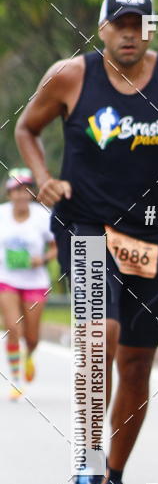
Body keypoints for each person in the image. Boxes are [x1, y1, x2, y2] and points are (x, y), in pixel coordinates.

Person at [15, 0, 158, 484]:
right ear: (102, 29)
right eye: (120, 24)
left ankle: (115, 479)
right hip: (83, 223)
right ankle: (86, 461)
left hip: (149, 235)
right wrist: (43, 179)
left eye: (139, 24)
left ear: (151, 30)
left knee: (135, 362)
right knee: (97, 335)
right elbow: (26, 128)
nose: (129, 33)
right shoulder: (70, 76)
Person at [0, 168, 56, 400]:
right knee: (14, 327)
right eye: (16, 190)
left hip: (35, 281)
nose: (21, 195)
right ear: (9, 193)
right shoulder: (1, 215)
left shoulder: (43, 215)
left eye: (25, 189)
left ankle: (29, 356)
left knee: (31, 337)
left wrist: (41, 259)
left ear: (31, 192)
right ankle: (16, 379)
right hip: (7, 279)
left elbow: (57, 246)